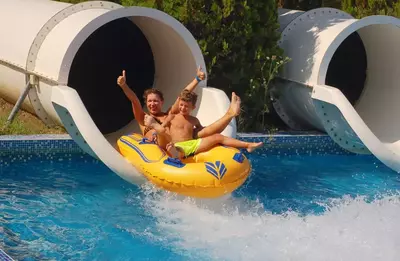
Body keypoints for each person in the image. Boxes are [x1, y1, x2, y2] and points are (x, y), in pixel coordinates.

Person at [116, 67, 241, 149]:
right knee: (160, 130)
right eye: (149, 101)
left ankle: (230, 114)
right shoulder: (144, 118)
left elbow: (183, 96)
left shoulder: (170, 114)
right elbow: (134, 100)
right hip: (162, 143)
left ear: (161, 102)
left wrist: (197, 79)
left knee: (203, 132)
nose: (152, 104)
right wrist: (124, 86)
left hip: (181, 142)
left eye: (155, 101)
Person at [145, 90, 263, 159]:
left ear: (193, 108)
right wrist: (155, 132)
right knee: (173, 147)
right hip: (177, 145)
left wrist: (209, 139)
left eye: (186, 106)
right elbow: (163, 128)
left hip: (192, 144)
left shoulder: (194, 120)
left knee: (217, 137)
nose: (183, 108)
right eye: (181, 105)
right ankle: (175, 155)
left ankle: (247, 145)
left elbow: (202, 132)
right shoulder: (172, 116)